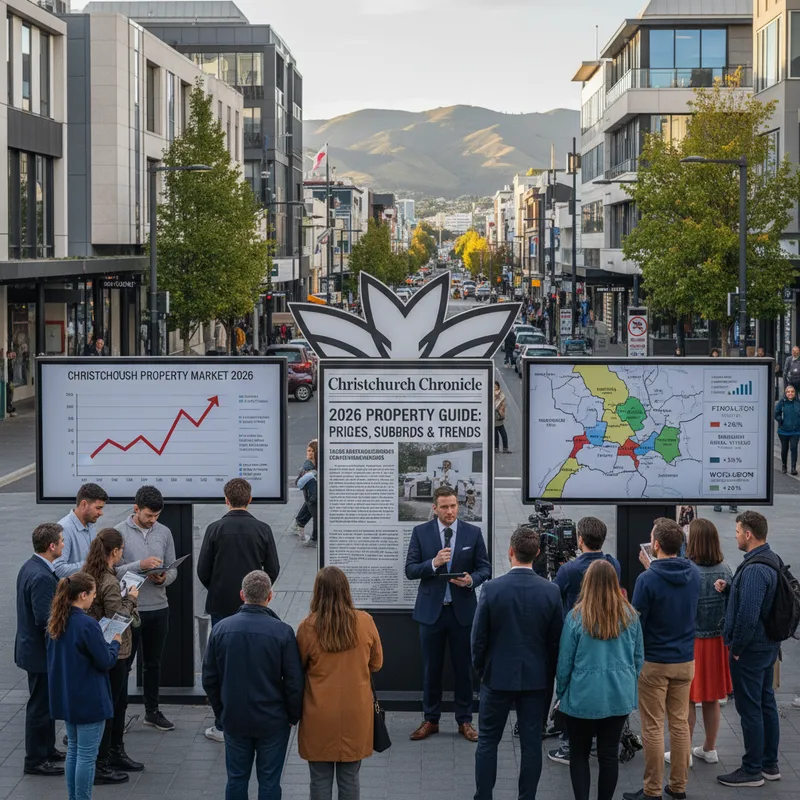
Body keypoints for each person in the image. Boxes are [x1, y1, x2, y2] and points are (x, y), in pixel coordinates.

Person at [471, 527, 564, 799]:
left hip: (497, 676)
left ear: (510, 551)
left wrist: (482, 670)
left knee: (488, 741)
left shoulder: (492, 589)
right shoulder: (551, 591)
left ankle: (483, 796)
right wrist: (549, 674)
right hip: (536, 680)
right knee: (531, 745)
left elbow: (478, 638)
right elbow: (556, 641)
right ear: (537, 553)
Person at [202, 571, 304, 800]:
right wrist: (292, 715)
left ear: (242, 594)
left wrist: (222, 712)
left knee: (236, 779)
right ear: (270, 596)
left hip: (235, 717)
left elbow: (209, 678)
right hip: (273, 719)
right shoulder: (283, 632)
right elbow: (294, 682)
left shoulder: (221, 629)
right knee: (269, 781)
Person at [404, 486, 491, 742]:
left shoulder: (473, 533)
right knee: (431, 668)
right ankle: (431, 719)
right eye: (444, 507)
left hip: (462, 613)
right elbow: (410, 569)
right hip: (431, 613)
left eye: (453, 506)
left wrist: (471, 580)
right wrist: (434, 563)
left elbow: (485, 568)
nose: (450, 511)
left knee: (464, 668)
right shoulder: (421, 532)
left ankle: (465, 721)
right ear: (435, 508)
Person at [197, 478, 280, 743]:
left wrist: (217, 587)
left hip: (221, 604)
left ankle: (222, 724)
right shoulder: (263, 529)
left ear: (226, 499)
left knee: (223, 662)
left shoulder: (214, 529)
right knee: (253, 661)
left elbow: (203, 570)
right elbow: (273, 568)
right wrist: (258, 594)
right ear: (250, 499)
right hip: (253, 606)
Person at [623, 518, 700, 800]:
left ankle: (652, 789)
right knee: (679, 723)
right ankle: (678, 786)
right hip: (685, 659)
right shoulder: (694, 573)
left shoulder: (647, 579)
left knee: (653, 726)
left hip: (654, 660)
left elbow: (637, 622)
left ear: (655, 544)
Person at [557, 560, 644, 800]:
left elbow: (564, 662)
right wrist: (628, 682)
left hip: (582, 696)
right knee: (608, 755)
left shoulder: (576, 617)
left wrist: (562, 693)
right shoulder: (630, 616)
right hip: (618, 696)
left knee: (579, 754)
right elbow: (638, 657)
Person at [297, 567, 383, 800]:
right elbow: (377, 663)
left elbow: (299, 666)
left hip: (318, 713)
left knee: (319, 779)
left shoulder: (308, 626)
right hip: (356, 712)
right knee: (350, 778)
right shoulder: (365, 621)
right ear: (346, 590)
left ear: (318, 592)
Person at [714, 511, 781, 787]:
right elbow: (759, 601)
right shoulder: (771, 558)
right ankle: (769, 764)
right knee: (766, 703)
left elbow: (748, 616)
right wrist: (731, 590)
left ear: (749, 534)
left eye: (738, 532)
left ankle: (752, 769)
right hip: (768, 647)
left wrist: (737, 648)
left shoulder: (754, 569)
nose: (736, 536)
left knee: (750, 708)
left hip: (751, 650)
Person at [549, 516, 622, 765]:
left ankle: (568, 745)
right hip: (608, 633)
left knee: (573, 686)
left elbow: (553, 594)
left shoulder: (568, 570)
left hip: (578, 634)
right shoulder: (613, 564)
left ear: (580, 540)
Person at [662, 518, 732, 769]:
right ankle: (709, 748)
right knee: (712, 698)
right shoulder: (726, 569)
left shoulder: (688, 571)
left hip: (692, 642)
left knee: (687, 698)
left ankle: (684, 751)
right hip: (718, 642)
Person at [47, 572, 121, 800]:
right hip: (89, 698)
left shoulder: (56, 621)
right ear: (82, 595)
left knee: (74, 751)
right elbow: (105, 660)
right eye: (93, 594)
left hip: (68, 695)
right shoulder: (88, 624)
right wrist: (115, 644)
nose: (94, 598)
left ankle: (74, 797)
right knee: (87, 756)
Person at [115, 485, 177, 733]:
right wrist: (140, 565)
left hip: (159, 607)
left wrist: (164, 578)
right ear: (136, 509)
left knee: (153, 663)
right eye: (149, 515)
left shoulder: (164, 532)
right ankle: (118, 714)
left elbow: (172, 568)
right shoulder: (119, 533)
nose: (153, 520)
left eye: (157, 516)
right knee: (124, 664)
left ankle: (152, 711)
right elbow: (113, 571)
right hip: (130, 610)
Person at [84, 529, 142, 782]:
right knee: (111, 706)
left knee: (117, 703)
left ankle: (113, 753)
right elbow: (118, 617)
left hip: (105, 649)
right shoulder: (108, 581)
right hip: (114, 650)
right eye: (121, 550)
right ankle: (102, 762)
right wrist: (131, 598)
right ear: (115, 551)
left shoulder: (93, 572)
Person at [15, 523, 65, 777]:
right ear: (51, 546)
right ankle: (35, 760)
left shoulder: (31, 566)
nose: (64, 544)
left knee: (46, 702)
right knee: (40, 706)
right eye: (61, 541)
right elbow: (45, 619)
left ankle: (47, 749)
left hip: (32, 650)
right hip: (40, 654)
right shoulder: (42, 576)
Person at [54, 483, 109, 578]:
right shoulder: (64, 529)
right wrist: (93, 564)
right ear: (84, 504)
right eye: (98, 508)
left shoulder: (90, 524)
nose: (101, 513)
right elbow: (59, 570)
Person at [293, 440, 318, 545]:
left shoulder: (317, 463)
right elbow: (298, 482)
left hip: (312, 496)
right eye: (308, 450)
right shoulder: (308, 465)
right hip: (312, 495)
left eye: (313, 451)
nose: (310, 453)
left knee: (310, 509)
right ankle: (314, 539)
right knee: (316, 516)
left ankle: (299, 523)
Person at [775, 384, 800, 475]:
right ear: (785, 393)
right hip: (783, 431)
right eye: (788, 392)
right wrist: (780, 420)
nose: (790, 393)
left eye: (792, 392)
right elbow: (775, 414)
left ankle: (793, 468)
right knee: (784, 449)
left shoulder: (798, 403)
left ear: (795, 393)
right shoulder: (781, 403)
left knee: (794, 448)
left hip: (795, 431)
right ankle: (784, 465)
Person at [494, 381, 510, 454]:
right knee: (495, 434)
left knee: (503, 434)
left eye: (495, 386)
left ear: (498, 386)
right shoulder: (490, 394)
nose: (494, 387)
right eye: (493, 386)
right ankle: (496, 448)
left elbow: (503, 403)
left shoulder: (501, 394)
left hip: (499, 416)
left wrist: (500, 408)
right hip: (493, 417)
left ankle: (505, 448)